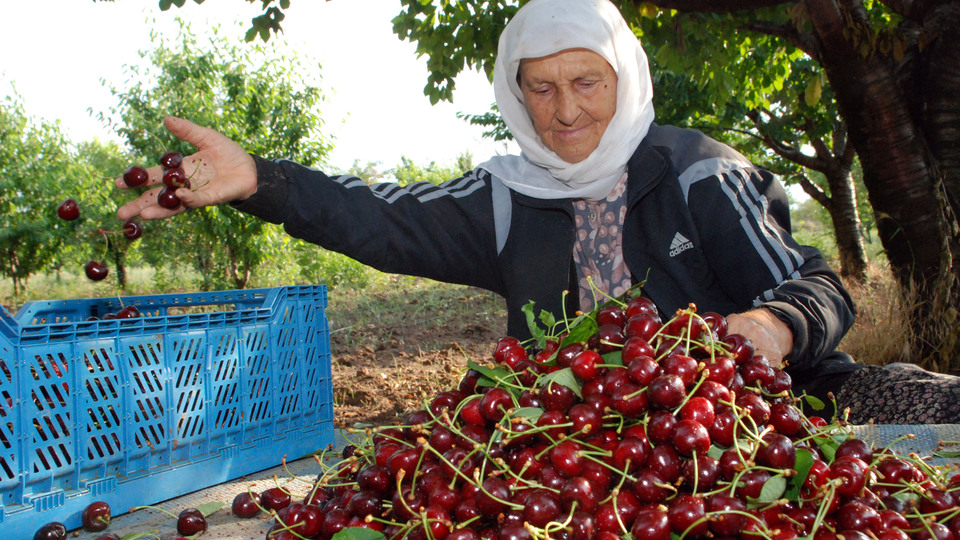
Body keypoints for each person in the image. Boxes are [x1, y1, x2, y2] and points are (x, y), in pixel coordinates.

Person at [116, 0, 959, 425]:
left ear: (623, 79)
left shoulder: (699, 172)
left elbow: (820, 289)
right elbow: (377, 217)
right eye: (541, 88)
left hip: (769, 424)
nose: (565, 112)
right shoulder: (507, 197)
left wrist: (774, 328)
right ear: (516, 96)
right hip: (602, 450)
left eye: (586, 82)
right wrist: (261, 178)